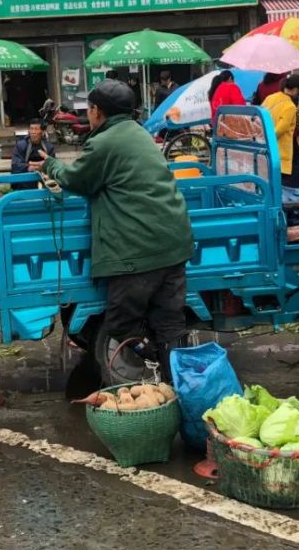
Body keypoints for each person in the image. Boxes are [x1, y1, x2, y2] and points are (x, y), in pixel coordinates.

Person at [35, 79, 193, 378]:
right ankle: (181, 385)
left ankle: (154, 362)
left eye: (89, 109)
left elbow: (79, 180)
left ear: (97, 111)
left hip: (139, 251)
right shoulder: (139, 133)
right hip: (174, 243)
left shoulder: (104, 141)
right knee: (170, 322)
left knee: (121, 323)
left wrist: (50, 165)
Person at [262, 74, 299, 183]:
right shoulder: (290, 106)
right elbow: (279, 130)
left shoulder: (270, 98)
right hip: (281, 155)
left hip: (265, 151)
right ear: (295, 90)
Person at [11, 119, 56, 189]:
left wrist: (43, 166)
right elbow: (16, 164)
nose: (33, 132)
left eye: (36, 129)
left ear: (43, 132)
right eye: (31, 129)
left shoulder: (49, 147)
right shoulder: (20, 145)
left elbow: (53, 164)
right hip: (26, 178)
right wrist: (30, 167)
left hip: (44, 177)